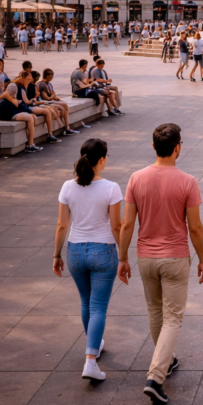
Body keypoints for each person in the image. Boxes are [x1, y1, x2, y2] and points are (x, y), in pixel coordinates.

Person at [118, 123, 203, 404]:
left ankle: (166, 362)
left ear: (154, 147)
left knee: (155, 313)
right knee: (172, 318)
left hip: (145, 257)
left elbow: (127, 223)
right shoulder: (187, 181)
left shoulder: (136, 178)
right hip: (175, 258)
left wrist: (123, 258)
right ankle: (156, 376)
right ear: (178, 148)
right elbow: (195, 228)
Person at [53, 139, 122, 381]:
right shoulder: (112, 188)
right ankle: (90, 361)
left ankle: (95, 343)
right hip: (103, 251)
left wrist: (56, 255)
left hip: (74, 251)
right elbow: (116, 226)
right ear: (102, 159)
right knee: (98, 307)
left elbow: (62, 225)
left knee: (86, 302)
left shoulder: (67, 187)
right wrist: (123, 255)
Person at [0, 82, 42, 151]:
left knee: (30, 116)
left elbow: (18, 106)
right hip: (8, 114)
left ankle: (31, 143)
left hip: (11, 112)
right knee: (29, 117)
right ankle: (30, 144)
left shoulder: (11, 97)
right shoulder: (6, 97)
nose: (14, 91)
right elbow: (11, 108)